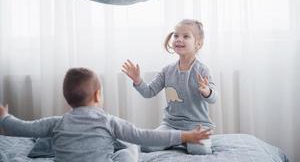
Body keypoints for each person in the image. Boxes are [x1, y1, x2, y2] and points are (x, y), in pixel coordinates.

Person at [0, 67, 211, 162]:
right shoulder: (109, 122)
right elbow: (145, 135)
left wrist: (5, 117)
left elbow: (22, 128)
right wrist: (184, 136)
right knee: (128, 148)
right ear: (98, 95)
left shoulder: (56, 123)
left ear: (67, 99)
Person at [122, 19, 218, 155]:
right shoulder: (167, 70)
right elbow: (149, 92)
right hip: (171, 125)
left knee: (199, 150)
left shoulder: (203, 70)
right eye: (176, 35)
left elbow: (214, 98)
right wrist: (138, 80)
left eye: (186, 36)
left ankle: (185, 140)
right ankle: (178, 139)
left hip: (197, 125)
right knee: (146, 147)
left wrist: (207, 91)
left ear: (198, 43)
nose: (179, 39)